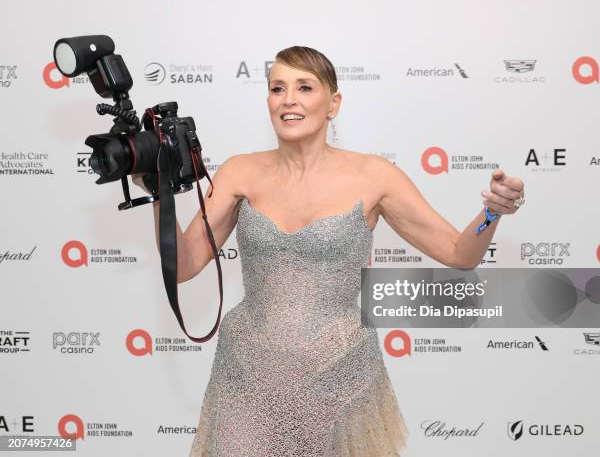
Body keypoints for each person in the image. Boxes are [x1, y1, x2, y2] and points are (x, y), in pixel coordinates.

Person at [134, 46, 525, 456]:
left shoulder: (374, 176)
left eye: (305, 87)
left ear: (333, 103)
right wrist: (159, 193)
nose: (289, 100)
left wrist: (490, 213)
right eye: (277, 88)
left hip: (340, 375)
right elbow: (184, 265)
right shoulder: (239, 172)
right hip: (247, 374)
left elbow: (459, 253)